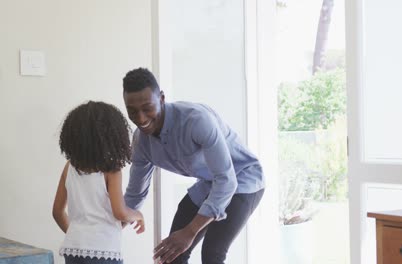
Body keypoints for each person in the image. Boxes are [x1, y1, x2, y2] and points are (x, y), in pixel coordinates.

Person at [122, 68, 265, 264]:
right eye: (132, 111)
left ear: (161, 98)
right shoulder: (141, 142)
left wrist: (190, 231)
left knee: (212, 254)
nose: (141, 118)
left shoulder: (196, 120)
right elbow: (134, 195)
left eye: (147, 108)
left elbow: (226, 180)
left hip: (242, 179)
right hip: (208, 183)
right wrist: (106, 229)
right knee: (170, 256)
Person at [52, 101, 145, 264]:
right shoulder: (112, 170)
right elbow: (120, 213)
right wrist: (138, 215)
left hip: (73, 249)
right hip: (104, 251)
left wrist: (77, 236)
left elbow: (57, 212)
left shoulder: (70, 167)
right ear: (114, 136)